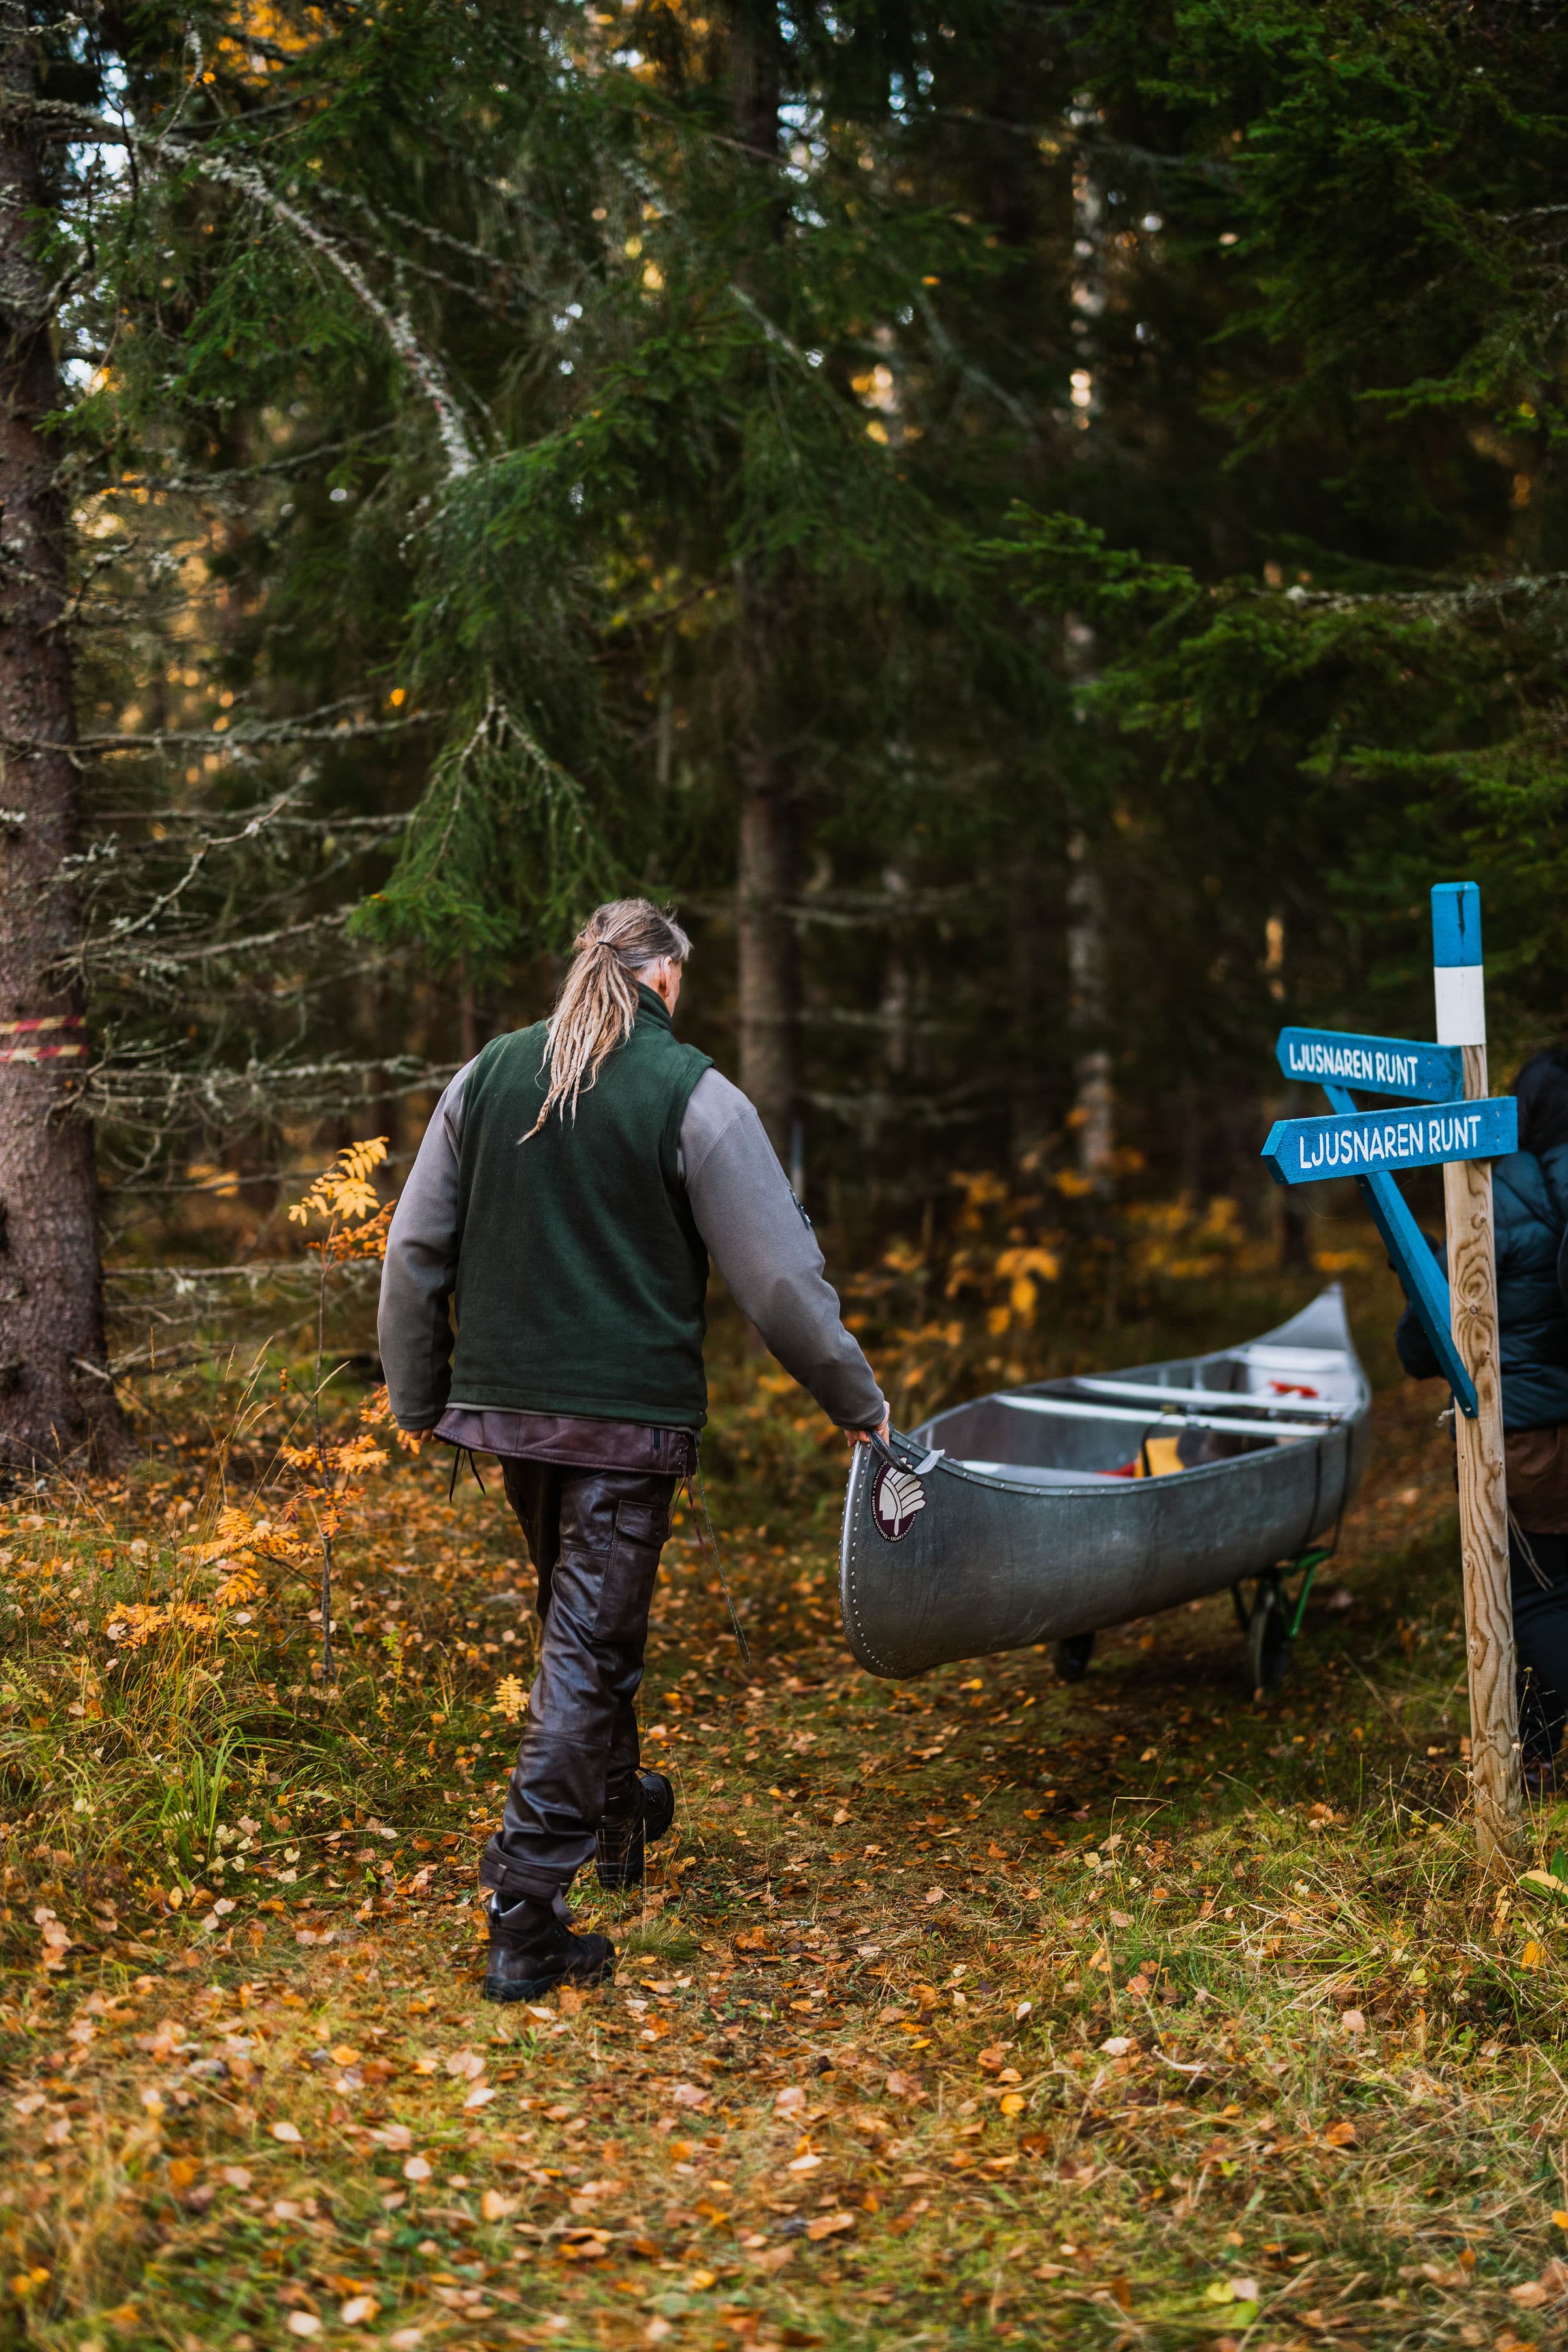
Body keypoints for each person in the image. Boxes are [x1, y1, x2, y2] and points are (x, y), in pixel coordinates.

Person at [378, 898, 889, 2000]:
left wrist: (418, 1396)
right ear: (661, 980)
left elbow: (414, 1247)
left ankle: (622, 1815)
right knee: (589, 1648)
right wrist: (857, 1398)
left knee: (582, 1630)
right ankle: (526, 1914)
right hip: (622, 1423)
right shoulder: (690, 1093)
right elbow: (782, 1279)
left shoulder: (488, 1076)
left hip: (514, 1416)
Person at [1396, 1046, 1568, 1793]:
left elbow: (1423, 1339)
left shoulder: (1501, 1189)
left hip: (1526, 1433)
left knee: (1536, 1596)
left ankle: (1530, 1755)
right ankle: (1537, 1753)